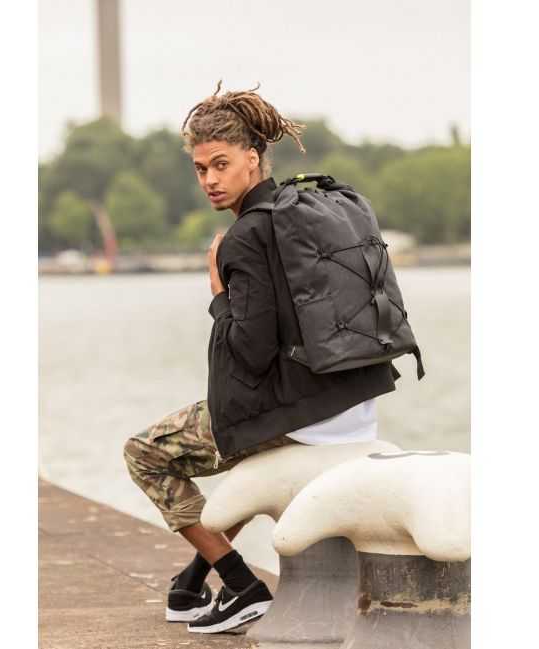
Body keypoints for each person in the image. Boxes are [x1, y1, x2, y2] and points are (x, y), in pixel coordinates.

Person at [123, 80, 400, 634]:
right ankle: (191, 580)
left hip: (304, 419)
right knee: (246, 452)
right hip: (350, 403)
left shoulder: (245, 237)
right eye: (200, 169)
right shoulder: (304, 209)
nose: (210, 180)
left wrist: (217, 294)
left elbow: (249, 353)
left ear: (252, 157)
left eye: (221, 164)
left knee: (144, 453)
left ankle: (241, 585)